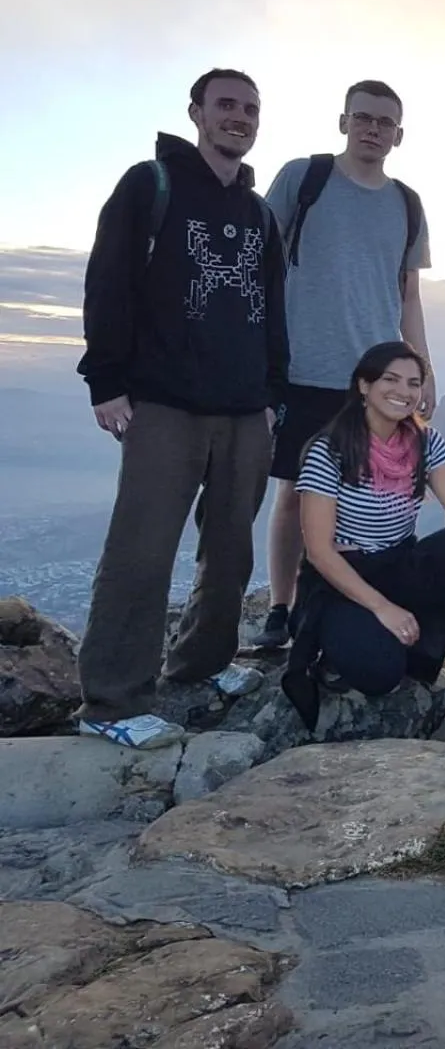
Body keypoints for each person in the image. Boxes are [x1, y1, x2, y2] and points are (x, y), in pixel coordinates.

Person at [73, 67, 288, 749]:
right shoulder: (151, 184)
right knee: (142, 551)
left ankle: (199, 667)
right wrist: (105, 380)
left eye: (251, 108)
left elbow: (272, 310)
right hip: (163, 402)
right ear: (196, 112)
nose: (240, 117)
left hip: (245, 407)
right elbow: (107, 280)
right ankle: (112, 699)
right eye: (226, 105)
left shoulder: (258, 213)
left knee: (229, 553)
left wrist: (272, 397)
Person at [253, 80, 434, 651]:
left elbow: (408, 294)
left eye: (385, 122)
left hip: (377, 381)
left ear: (399, 135)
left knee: (375, 496)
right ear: (343, 122)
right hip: (305, 367)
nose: (373, 130)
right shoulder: (303, 180)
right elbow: (258, 262)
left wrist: (420, 368)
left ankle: (341, 605)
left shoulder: (406, 202)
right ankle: (282, 607)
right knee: (294, 494)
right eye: (364, 118)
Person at [283, 342, 445, 727]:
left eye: (413, 383)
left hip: (397, 564)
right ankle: (330, 649)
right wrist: (381, 607)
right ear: (364, 386)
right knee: (380, 674)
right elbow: (319, 552)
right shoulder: (328, 450)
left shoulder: (425, 442)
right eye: (391, 379)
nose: (404, 391)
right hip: (341, 581)